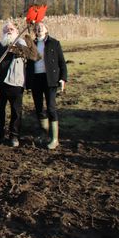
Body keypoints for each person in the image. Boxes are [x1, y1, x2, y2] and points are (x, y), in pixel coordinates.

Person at [0, 22, 39, 147]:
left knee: (16, 111)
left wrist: (20, 46)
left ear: (16, 31)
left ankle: (14, 136)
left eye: (11, 29)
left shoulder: (21, 44)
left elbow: (32, 54)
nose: (8, 31)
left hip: (15, 84)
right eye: (6, 30)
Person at [26, 22, 68, 150]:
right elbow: (27, 64)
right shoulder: (31, 45)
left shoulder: (54, 43)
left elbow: (62, 62)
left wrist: (63, 78)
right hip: (36, 79)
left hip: (50, 79)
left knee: (51, 107)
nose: (39, 29)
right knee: (39, 108)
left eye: (41, 27)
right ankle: (43, 134)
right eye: (37, 28)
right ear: (35, 31)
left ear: (46, 29)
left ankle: (54, 139)